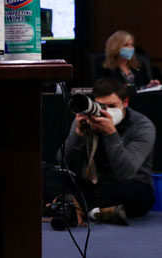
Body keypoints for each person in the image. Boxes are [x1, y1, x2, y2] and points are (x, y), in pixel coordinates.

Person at [44, 77, 156, 226]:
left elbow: (126, 171)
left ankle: (70, 205)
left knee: (136, 194)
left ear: (125, 103)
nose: (106, 110)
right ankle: (96, 212)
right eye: (101, 105)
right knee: (44, 175)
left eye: (112, 105)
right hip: (91, 184)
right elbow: (63, 161)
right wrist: (77, 134)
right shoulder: (87, 116)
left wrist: (111, 133)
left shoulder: (142, 126)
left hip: (127, 184)